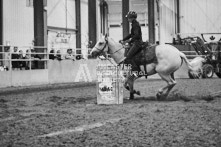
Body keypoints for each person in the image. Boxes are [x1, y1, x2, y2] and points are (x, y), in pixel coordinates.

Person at [119, 11, 143, 77]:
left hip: (137, 43)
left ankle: (137, 71)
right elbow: (131, 34)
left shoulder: (136, 24)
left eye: (128, 18)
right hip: (135, 42)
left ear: (132, 18)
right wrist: (123, 39)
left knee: (129, 56)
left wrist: (129, 41)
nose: (128, 19)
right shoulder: (134, 24)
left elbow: (137, 35)